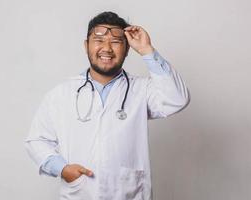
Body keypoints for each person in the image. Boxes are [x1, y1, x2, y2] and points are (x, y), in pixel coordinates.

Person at [24, 11, 190, 200]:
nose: (107, 48)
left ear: (127, 49)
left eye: (116, 42)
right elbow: (37, 140)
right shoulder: (62, 94)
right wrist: (62, 169)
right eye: (99, 40)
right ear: (86, 46)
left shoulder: (142, 90)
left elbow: (177, 98)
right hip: (79, 194)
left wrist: (147, 50)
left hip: (130, 194)